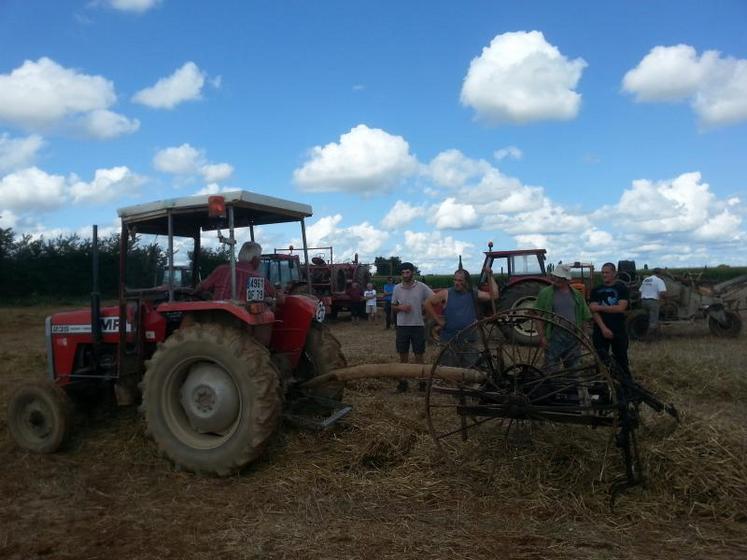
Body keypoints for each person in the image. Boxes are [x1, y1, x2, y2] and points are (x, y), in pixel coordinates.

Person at [424, 266, 499, 367]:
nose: (456, 283)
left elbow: (494, 295)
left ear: (466, 281)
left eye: (460, 280)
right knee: (449, 369)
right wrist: (438, 320)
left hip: (469, 338)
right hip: (449, 339)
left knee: (470, 369)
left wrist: (490, 275)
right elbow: (427, 303)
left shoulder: (473, 293)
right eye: (455, 280)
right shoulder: (446, 293)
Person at [533, 263, 592, 369]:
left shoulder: (577, 295)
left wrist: (585, 335)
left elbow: (584, 317)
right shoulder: (545, 293)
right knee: (552, 367)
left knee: (573, 368)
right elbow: (538, 316)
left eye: (559, 277)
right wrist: (542, 337)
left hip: (573, 335)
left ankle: (571, 385)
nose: (555, 279)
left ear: (566, 279)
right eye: (555, 276)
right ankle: (554, 385)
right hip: (554, 335)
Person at [392, 262, 434, 392]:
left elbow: (434, 298)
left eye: (408, 272)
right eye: (403, 273)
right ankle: (403, 383)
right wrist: (400, 307)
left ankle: (422, 384)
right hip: (402, 326)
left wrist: (427, 312)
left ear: (412, 272)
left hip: (418, 326)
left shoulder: (421, 287)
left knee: (419, 355)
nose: (405, 275)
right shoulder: (397, 288)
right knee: (403, 355)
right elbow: (393, 306)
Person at [589, 262, 630, 378]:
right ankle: (602, 384)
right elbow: (593, 310)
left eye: (607, 272)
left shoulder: (621, 288)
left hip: (618, 329)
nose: (604, 275)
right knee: (601, 360)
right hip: (600, 330)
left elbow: (621, 308)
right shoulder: (596, 290)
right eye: (602, 272)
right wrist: (603, 328)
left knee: (621, 358)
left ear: (614, 273)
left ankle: (625, 383)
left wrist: (600, 307)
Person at [195, 241, 273, 301]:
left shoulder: (221, 269)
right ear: (255, 259)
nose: (260, 261)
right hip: (242, 320)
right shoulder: (259, 278)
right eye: (260, 258)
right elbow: (273, 295)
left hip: (217, 316)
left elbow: (201, 287)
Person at [639, 267, 667, 336]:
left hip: (643, 302)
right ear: (660, 273)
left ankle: (657, 334)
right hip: (653, 302)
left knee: (649, 319)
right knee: (653, 322)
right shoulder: (659, 280)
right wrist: (666, 300)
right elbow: (662, 293)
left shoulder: (646, 279)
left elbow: (640, 290)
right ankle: (648, 338)